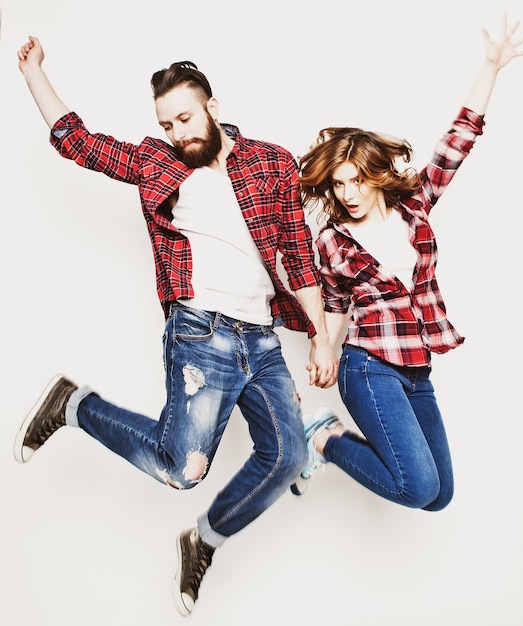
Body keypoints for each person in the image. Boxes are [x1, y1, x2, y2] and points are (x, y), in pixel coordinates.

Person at [14, 37, 338, 617]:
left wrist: (318, 334)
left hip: (261, 339)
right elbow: (77, 143)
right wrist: (35, 73)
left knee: (288, 456)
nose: (178, 133)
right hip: (201, 332)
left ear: (213, 106)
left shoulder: (271, 161)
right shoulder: (159, 162)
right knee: (181, 468)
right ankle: (73, 404)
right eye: (167, 124)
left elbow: (295, 254)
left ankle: (203, 540)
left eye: (186, 118)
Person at [290, 15, 523, 509]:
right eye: (338, 184)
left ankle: (325, 438)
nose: (348, 193)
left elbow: (458, 141)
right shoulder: (333, 240)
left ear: (376, 175)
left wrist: (491, 67)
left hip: (417, 369)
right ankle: (322, 439)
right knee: (416, 486)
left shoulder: (413, 205)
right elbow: (335, 304)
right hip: (369, 366)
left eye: (356, 180)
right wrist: (326, 352)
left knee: (437, 496)